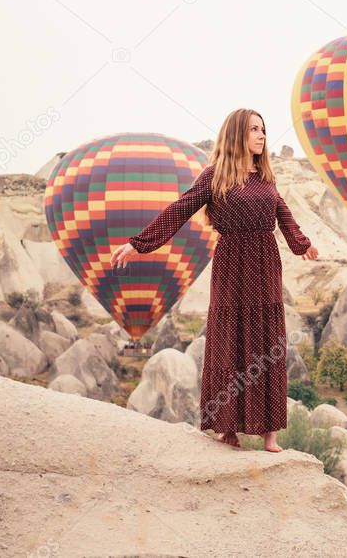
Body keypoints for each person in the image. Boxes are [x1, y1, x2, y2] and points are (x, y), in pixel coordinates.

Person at [110, 108, 318, 452]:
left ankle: (269, 433)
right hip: (231, 264)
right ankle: (228, 428)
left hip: (265, 263)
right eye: (254, 130)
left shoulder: (266, 177)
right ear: (238, 134)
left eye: (263, 130)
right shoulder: (214, 176)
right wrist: (139, 244)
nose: (262, 136)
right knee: (228, 342)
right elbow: (180, 209)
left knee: (266, 341)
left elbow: (282, 212)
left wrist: (302, 244)